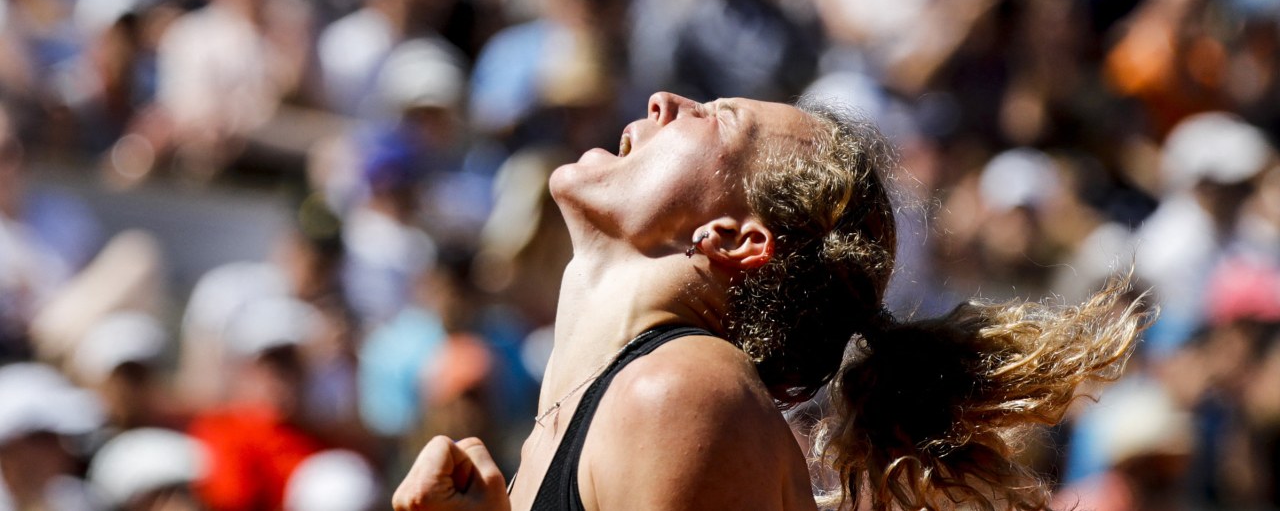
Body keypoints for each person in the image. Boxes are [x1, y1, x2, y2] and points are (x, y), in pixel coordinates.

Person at [393, 92, 1149, 511]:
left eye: (716, 118)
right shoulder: (601, 418)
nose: (664, 101)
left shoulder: (681, 397)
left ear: (733, 237)